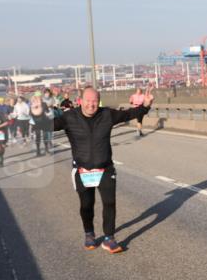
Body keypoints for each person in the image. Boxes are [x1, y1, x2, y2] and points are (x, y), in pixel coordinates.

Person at [53, 85, 153, 253]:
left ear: (98, 102)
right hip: (82, 171)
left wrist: (145, 106)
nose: (91, 105)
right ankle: (89, 233)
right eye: (88, 101)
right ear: (80, 101)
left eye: (95, 101)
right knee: (87, 205)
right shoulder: (69, 117)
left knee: (109, 203)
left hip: (105, 168)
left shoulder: (106, 114)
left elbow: (128, 114)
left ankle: (109, 238)